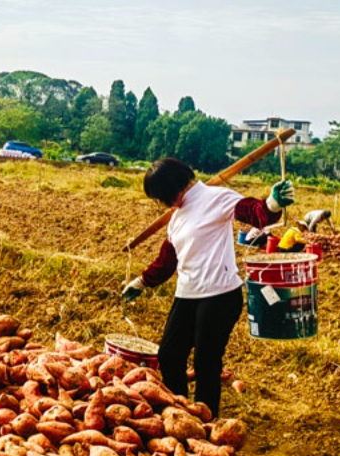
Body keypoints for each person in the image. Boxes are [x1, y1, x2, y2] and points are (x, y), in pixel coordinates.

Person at [121, 158, 294, 417]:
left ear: (170, 190)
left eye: (159, 197)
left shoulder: (216, 197)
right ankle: (177, 411)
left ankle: (205, 420)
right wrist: (142, 281)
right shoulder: (176, 218)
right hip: (188, 295)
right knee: (169, 355)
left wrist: (273, 203)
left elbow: (254, 212)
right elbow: (168, 260)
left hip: (220, 296)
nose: (160, 204)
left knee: (206, 362)